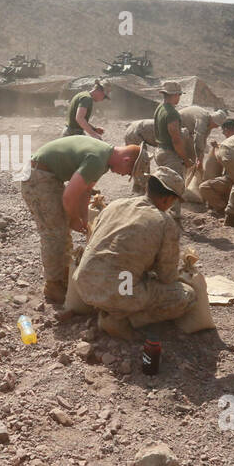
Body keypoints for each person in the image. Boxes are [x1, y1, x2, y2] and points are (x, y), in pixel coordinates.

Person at [69, 167, 201, 340]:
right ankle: (121, 319)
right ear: (168, 198)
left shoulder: (115, 205)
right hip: (119, 291)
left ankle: (108, 306)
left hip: (84, 283)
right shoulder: (165, 223)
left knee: (127, 277)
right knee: (187, 296)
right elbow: (167, 277)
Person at [18, 135, 140, 304]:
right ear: (126, 160)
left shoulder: (103, 157)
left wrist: (84, 219)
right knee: (54, 233)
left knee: (61, 230)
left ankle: (63, 276)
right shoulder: (97, 160)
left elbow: (84, 191)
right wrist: (73, 218)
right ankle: (53, 285)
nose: (122, 175)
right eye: (127, 172)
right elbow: (69, 196)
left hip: (46, 175)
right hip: (38, 177)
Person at [152, 80, 196, 219]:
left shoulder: (160, 108)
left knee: (163, 186)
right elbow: (176, 139)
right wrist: (185, 159)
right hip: (170, 155)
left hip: (159, 151)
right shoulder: (172, 113)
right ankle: (173, 219)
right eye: (179, 95)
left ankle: (159, 215)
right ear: (174, 95)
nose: (179, 97)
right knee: (175, 188)